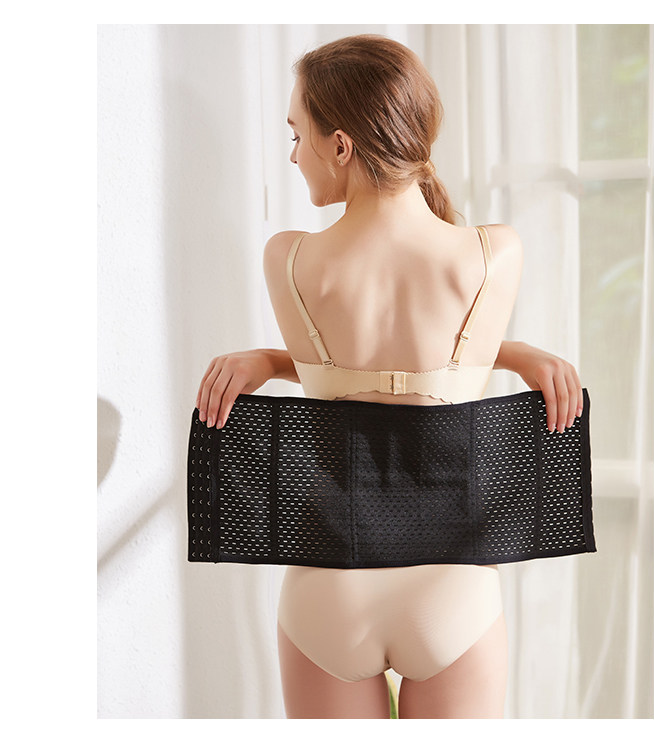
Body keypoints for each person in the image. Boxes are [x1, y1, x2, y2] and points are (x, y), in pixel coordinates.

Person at [195, 34, 583, 720]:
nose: (293, 155)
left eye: (298, 135)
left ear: (341, 146)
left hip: (328, 586)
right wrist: (517, 352)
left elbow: (341, 376)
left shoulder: (288, 260)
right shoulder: (494, 252)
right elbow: (434, 369)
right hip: (452, 588)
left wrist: (269, 361)